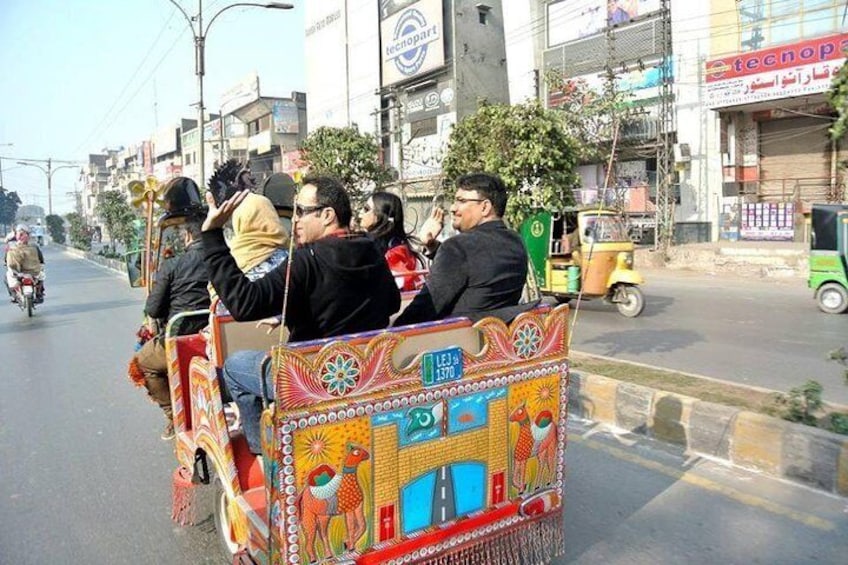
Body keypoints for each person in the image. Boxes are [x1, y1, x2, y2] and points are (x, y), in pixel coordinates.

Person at [201, 175, 400, 454]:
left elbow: (244, 302)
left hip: (311, 379)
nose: (294, 221)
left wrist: (211, 236)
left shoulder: (308, 259)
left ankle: (265, 453)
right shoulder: (370, 250)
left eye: (301, 212)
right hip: (365, 372)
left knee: (234, 366)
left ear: (328, 215)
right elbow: (391, 303)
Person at [394, 172, 528, 325]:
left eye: (461, 201)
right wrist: (431, 245)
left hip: (456, 341)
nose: (452, 208)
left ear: (485, 207)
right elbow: (479, 266)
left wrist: (390, 331)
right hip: (499, 337)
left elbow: (425, 308)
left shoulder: (458, 247)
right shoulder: (516, 241)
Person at [133, 218, 211, 440]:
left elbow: (154, 309)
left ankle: (174, 416)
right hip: (216, 338)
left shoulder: (173, 265)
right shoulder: (224, 261)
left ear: (188, 236)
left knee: (141, 364)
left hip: (179, 340)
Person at [359, 191, 425, 291]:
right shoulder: (399, 246)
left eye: (366, 209)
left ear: (380, 215)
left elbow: (403, 283)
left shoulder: (394, 253)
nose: (360, 214)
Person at [5, 224, 45, 303]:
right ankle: (39, 294)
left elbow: (8, 260)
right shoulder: (34, 246)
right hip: (32, 271)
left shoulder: (12, 248)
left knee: (7, 277)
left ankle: (14, 296)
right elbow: (41, 259)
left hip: (19, 272)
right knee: (41, 275)